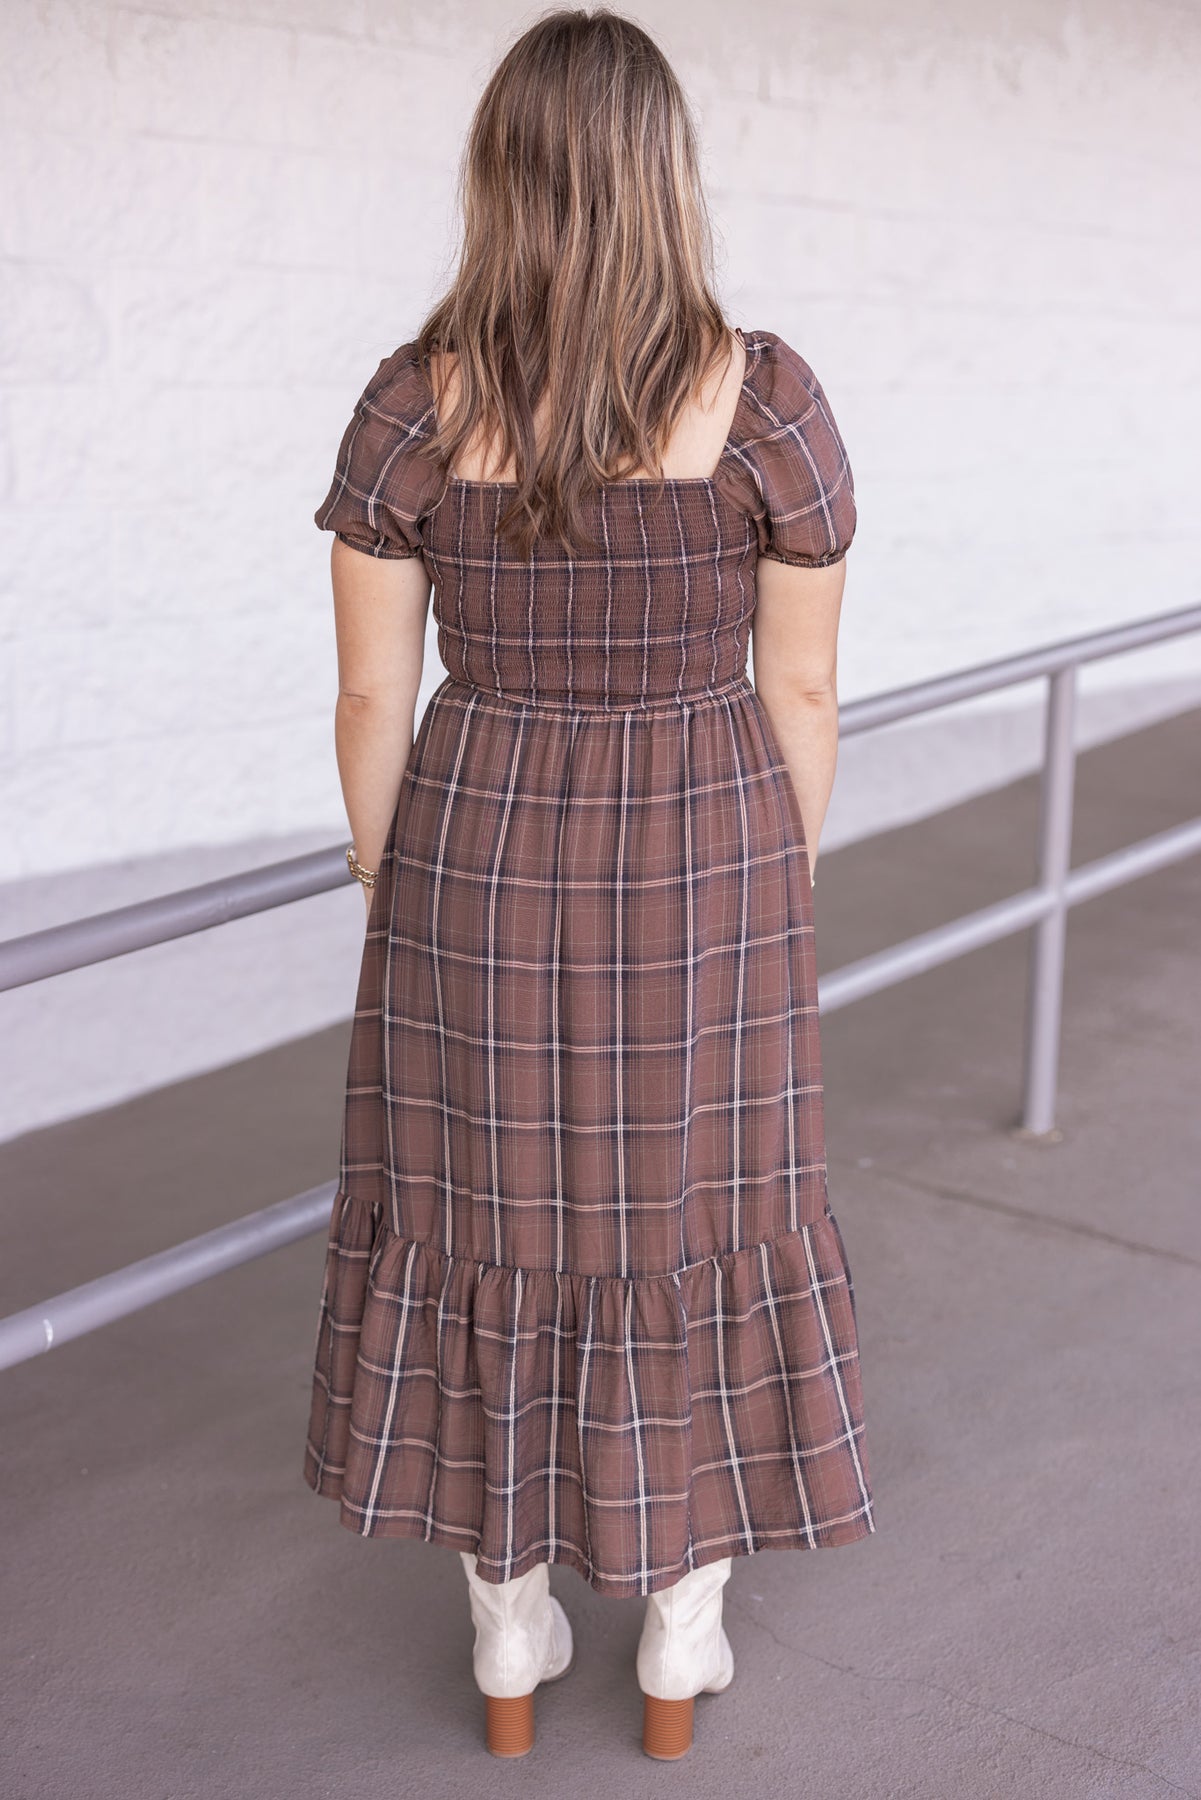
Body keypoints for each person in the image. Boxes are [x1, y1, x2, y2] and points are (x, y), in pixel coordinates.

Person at [303, 5, 875, 1762]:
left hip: (475, 852)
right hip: (706, 857)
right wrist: (770, 883)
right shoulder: (763, 399)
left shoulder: (412, 403)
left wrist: (393, 878)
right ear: (663, 177)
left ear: (499, 179)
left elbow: (370, 699)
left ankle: (506, 1633)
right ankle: (678, 1642)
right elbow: (800, 695)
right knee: (690, 1220)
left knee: (489, 1217)